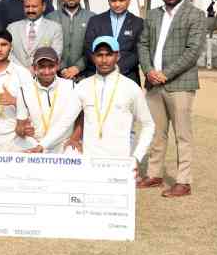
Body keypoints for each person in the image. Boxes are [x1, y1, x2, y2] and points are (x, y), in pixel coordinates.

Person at [30, 37, 155, 170]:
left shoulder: (131, 87)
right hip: (90, 162)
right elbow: (65, 121)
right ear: (93, 57)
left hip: (121, 161)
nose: (104, 60)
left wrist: (136, 157)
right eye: (99, 55)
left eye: (109, 54)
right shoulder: (83, 86)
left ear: (117, 56)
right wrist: (41, 146)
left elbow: (148, 125)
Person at [137, 0, 207, 197]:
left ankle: (183, 181)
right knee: (157, 133)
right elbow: (143, 45)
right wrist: (148, 71)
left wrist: (166, 73)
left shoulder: (195, 15)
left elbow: (192, 51)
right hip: (153, 83)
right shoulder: (154, 14)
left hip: (180, 84)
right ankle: (155, 175)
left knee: (182, 134)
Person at [16, 47, 80, 154]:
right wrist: (23, 130)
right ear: (34, 68)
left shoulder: (71, 86)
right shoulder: (24, 89)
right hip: (35, 142)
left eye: (51, 66)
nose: (46, 72)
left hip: (62, 143)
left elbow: (72, 120)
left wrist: (74, 138)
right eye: (42, 67)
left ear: (58, 65)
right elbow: (20, 126)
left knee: (73, 152)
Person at [84, 0, 143, 84]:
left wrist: (117, 68)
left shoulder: (138, 23)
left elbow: (138, 52)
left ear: (129, 0)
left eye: (121, 0)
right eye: (113, 1)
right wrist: (104, 67)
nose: (117, 4)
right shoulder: (95, 21)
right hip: (98, 76)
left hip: (127, 77)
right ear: (108, 0)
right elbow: (88, 48)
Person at [47, 0, 95, 81]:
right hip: (57, 76)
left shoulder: (92, 18)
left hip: (84, 76)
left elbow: (93, 47)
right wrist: (62, 68)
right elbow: (48, 45)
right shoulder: (51, 18)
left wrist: (78, 67)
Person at [7, 0, 63, 69]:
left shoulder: (55, 28)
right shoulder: (11, 28)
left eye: (34, 6)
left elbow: (56, 55)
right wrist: (23, 72)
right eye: (27, 6)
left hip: (43, 76)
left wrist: (37, 69)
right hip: (16, 76)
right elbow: (8, 53)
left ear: (43, 7)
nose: (30, 10)